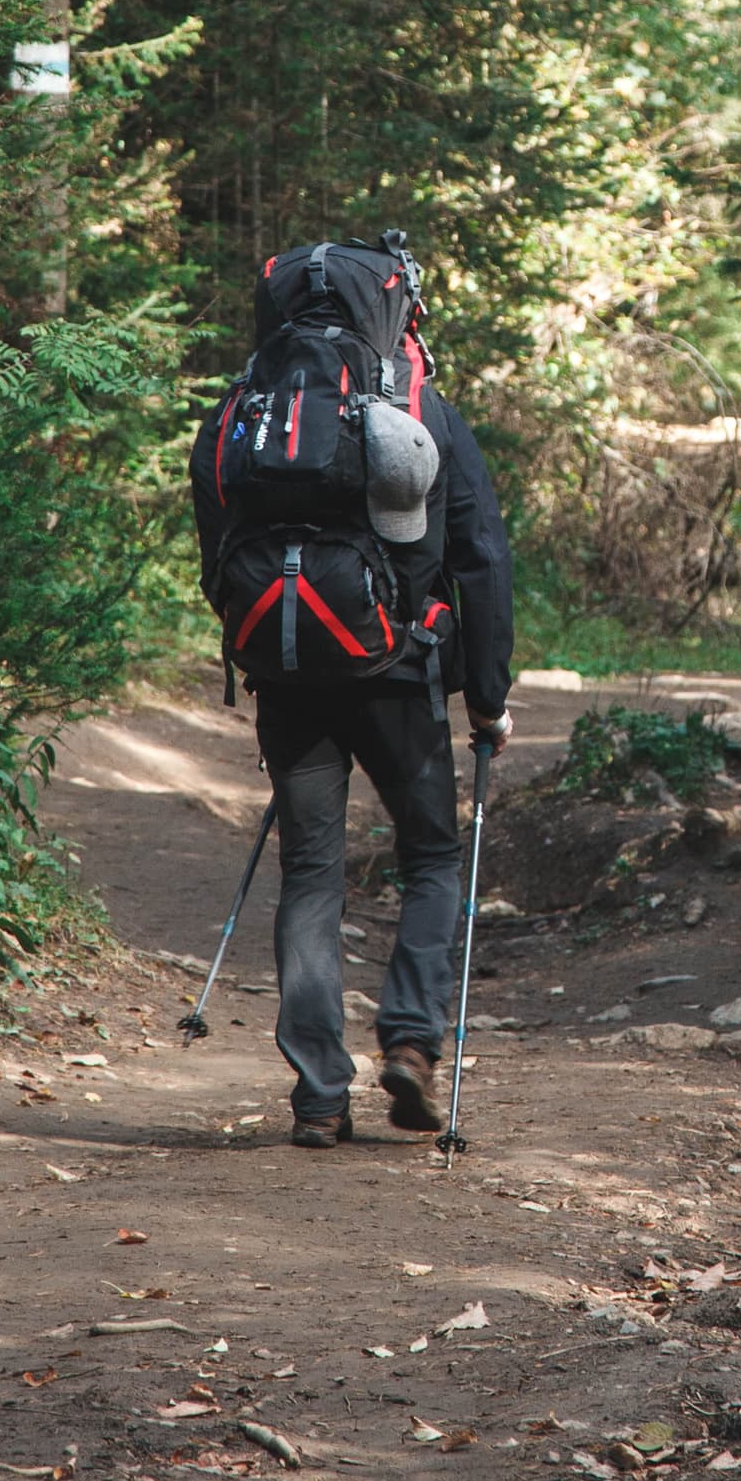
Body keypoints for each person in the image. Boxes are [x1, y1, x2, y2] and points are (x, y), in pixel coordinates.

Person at [188, 239, 515, 1146]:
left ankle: (318, 1097)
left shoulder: (239, 418)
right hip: (396, 672)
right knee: (433, 860)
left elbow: (217, 556)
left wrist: (266, 646)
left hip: (288, 674)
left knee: (312, 875)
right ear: (397, 311)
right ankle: (410, 1043)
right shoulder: (420, 411)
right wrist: (485, 696)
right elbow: (481, 558)